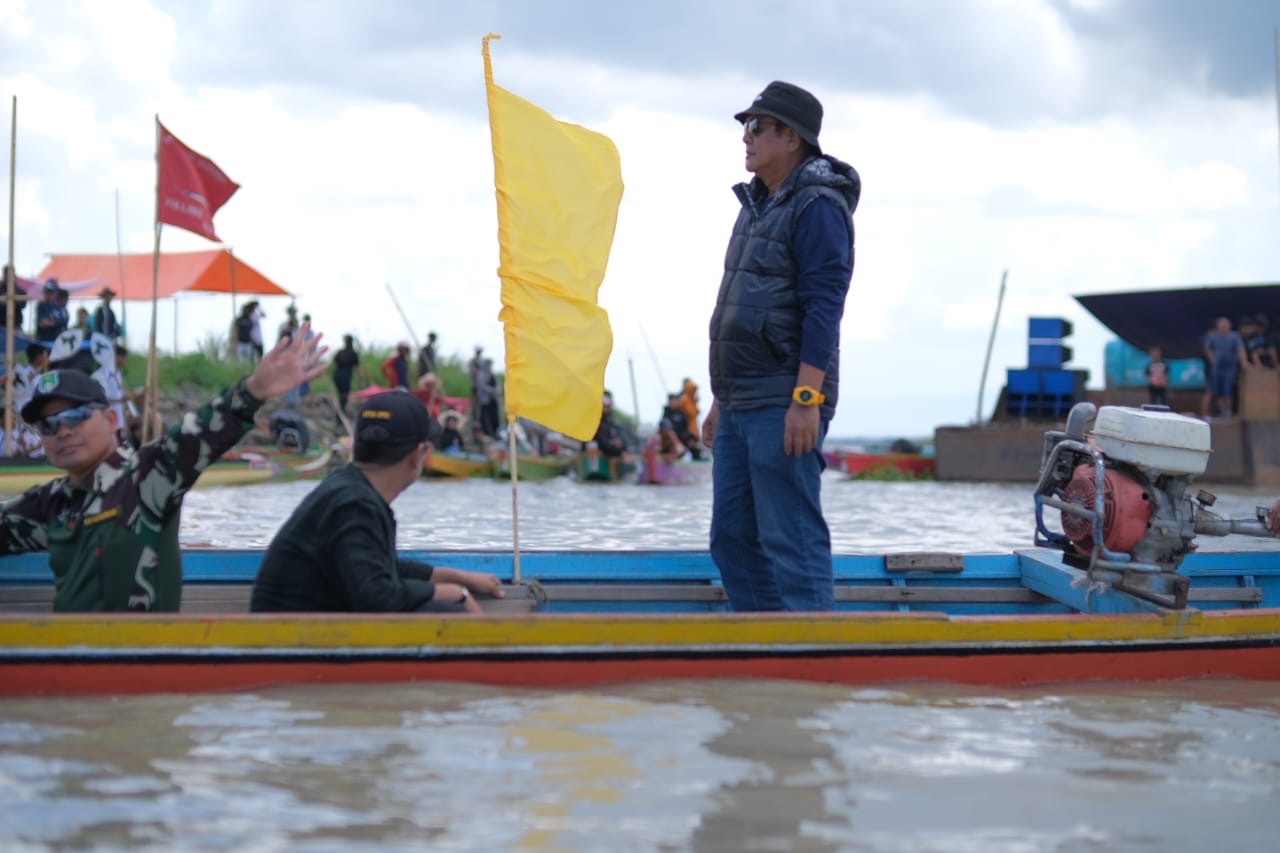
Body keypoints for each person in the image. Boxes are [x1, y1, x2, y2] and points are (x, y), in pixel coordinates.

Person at [0, 324, 327, 612]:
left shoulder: (146, 478)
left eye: (74, 417)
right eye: (48, 426)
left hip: (135, 664)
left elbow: (197, 434)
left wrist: (254, 390)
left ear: (111, 419)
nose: (63, 432)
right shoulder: (50, 504)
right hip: (62, 662)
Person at [701, 81, 859, 613]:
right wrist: (721, 399)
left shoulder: (817, 205)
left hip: (783, 400)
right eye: (745, 127)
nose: (745, 139)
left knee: (790, 537)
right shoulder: (756, 204)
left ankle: (814, 659)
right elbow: (742, 308)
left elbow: (824, 306)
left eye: (756, 127)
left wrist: (806, 401)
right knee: (732, 539)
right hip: (741, 402)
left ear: (791, 138)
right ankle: (765, 657)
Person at [250, 391, 503, 613]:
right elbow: (377, 597)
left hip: (298, 637)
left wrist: (459, 578)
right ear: (418, 455)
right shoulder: (354, 504)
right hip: (290, 650)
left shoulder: (347, 488)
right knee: (447, 612)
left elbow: (379, 567)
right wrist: (456, 594)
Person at [1203, 316, 1247, 418]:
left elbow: (1240, 349)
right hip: (1217, 368)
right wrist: (1212, 359)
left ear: (1229, 326)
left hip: (1230, 368)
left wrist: (1244, 362)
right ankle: (1223, 412)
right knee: (1218, 391)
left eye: (1225, 325)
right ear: (1218, 327)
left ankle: (1229, 411)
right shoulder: (1214, 337)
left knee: (1228, 389)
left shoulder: (1234, 336)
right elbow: (1208, 348)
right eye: (1221, 325)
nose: (1224, 327)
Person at [591, 391, 629, 459]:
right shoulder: (594, 422)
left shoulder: (613, 423)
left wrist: (619, 442)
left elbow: (623, 441)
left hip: (612, 459)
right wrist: (611, 443)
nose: (605, 409)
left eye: (607, 406)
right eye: (604, 406)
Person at [332, 334, 362, 411]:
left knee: (341, 395)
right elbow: (357, 368)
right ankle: (341, 413)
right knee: (344, 395)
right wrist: (361, 380)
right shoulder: (353, 353)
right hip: (345, 377)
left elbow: (335, 363)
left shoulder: (340, 352)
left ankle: (340, 412)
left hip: (337, 375)